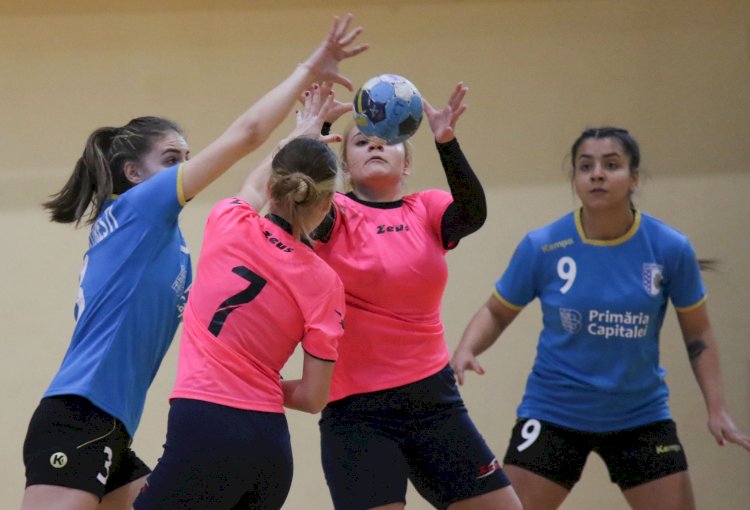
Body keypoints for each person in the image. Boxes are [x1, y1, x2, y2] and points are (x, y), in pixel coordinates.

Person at [20, 14, 367, 510]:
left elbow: (258, 187)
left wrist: (305, 134)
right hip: (78, 414)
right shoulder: (138, 209)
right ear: (133, 172)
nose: (184, 167)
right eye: (171, 158)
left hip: (115, 426)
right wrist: (309, 67)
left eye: (188, 155)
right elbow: (246, 136)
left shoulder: (171, 237)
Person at [451, 126, 750, 510]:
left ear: (634, 178)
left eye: (611, 165)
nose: (597, 174)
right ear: (574, 177)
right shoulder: (543, 245)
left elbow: (699, 334)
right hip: (553, 411)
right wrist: (466, 349)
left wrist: (717, 408)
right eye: (585, 165)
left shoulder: (670, 248)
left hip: (639, 415)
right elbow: (496, 311)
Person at [134, 87, 346, 509]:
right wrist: (258, 381)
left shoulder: (228, 220)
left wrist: (300, 133)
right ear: (326, 206)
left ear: (275, 186)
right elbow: (312, 396)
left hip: (204, 427)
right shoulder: (324, 281)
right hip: (269, 449)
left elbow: (253, 183)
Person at [313, 83, 522, 510]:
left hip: (435, 402)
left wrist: (446, 140)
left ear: (406, 163)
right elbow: (306, 188)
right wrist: (321, 126)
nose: (375, 144)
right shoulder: (333, 213)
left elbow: (472, 213)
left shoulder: (426, 208)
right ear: (346, 167)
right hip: (358, 412)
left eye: (387, 140)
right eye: (361, 140)